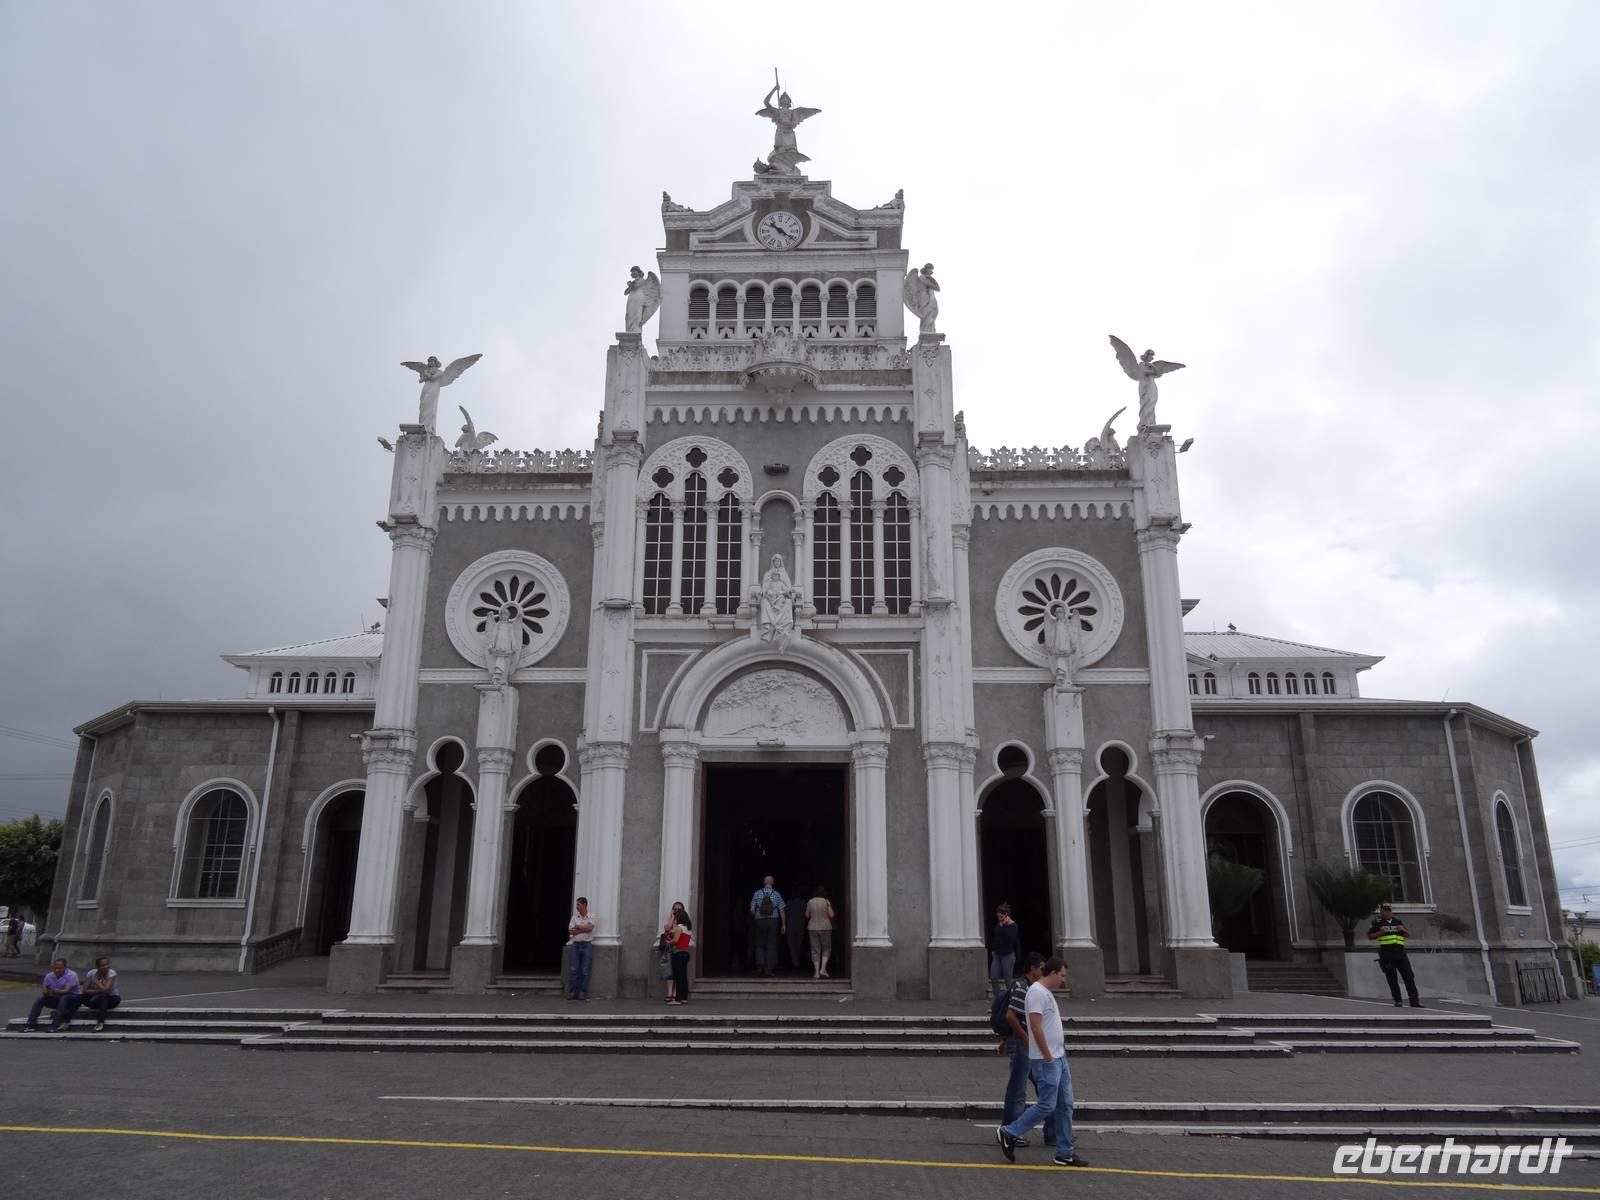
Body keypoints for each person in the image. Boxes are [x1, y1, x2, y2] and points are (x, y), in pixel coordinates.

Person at [997, 958, 1089, 1168]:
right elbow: (1035, 1026)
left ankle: (1064, 1152)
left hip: (1058, 1057)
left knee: (1065, 1104)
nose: (1063, 980)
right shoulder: (1037, 992)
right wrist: (1047, 1055)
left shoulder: (1045, 992)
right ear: (1053, 972)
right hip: (1047, 1059)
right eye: (1062, 975)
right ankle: (1009, 1131)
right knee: (1047, 1104)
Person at [999, 952, 1054, 1148]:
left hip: (1027, 1045)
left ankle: (1052, 1132)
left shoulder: (1033, 988)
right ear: (1032, 968)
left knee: (1045, 1086)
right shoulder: (1022, 987)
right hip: (1024, 1045)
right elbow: (1011, 1015)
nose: (1044, 972)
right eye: (1041, 968)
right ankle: (1010, 1131)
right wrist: (1024, 1038)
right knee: (1018, 1090)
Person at [1367, 901, 1423, 1008]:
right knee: (1392, 978)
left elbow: (1406, 935)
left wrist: (1403, 930)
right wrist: (1380, 933)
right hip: (1387, 953)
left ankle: (1414, 1001)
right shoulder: (1377, 922)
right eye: (1385, 911)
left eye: (1389, 910)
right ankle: (1398, 1000)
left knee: (1409, 976)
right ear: (1381, 911)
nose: (1388, 912)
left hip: (1400, 953)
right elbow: (1370, 936)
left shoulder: (1398, 922)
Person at [24, 958, 82, 1033]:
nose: (57, 970)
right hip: (57, 998)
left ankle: (55, 1024)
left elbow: (66, 991)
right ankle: (30, 1024)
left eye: (60, 968)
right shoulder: (49, 976)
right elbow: (45, 990)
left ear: (65, 968)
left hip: (72, 1000)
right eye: (55, 968)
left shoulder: (72, 975)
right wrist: (49, 992)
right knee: (40, 999)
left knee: (64, 997)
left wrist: (54, 991)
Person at [749, 876, 786, 976]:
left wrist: (756, 915)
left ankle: (760, 966)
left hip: (760, 921)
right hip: (773, 921)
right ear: (772, 883)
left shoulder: (757, 893)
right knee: (771, 945)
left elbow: (752, 909)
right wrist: (783, 925)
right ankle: (769, 969)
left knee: (759, 944)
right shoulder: (777, 894)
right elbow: (782, 910)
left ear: (764, 882)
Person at [81, 957, 121, 1032]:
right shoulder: (91, 973)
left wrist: (96, 981)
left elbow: (106, 990)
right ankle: (65, 1020)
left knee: (103, 996)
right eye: (103, 965)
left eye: (107, 965)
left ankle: (100, 1023)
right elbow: (85, 990)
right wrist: (98, 991)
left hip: (112, 999)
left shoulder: (111, 973)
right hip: (95, 999)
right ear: (97, 967)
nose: (106, 967)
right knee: (80, 996)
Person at [566, 897, 595, 1001]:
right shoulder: (574, 917)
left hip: (587, 945)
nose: (577, 907)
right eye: (577, 904)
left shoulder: (591, 916)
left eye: (578, 904)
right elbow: (571, 931)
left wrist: (578, 927)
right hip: (575, 945)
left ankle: (583, 992)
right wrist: (584, 928)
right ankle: (573, 992)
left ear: (584, 905)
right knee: (573, 969)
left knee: (585, 970)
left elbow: (590, 928)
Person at [989, 903, 1020, 999]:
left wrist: (1003, 926)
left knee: (1008, 980)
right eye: (998, 916)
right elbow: (996, 936)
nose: (999, 918)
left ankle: (1010, 999)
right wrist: (993, 949)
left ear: (1006, 914)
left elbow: (1009, 938)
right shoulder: (1000, 923)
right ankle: (997, 999)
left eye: (1001, 916)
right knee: (994, 977)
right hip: (997, 955)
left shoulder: (1013, 926)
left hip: (1008, 955)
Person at [665, 902, 693, 1005]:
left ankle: (677, 999)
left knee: (678, 977)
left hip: (678, 953)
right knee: (684, 976)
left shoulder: (679, 927)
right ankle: (684, 998)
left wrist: (669, 942)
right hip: (686, 953)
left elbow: (675, 940)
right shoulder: (688, 928)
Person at [805, 886, 835, 979]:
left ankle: (816, 973)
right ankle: (823, 969)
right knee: (826, 948)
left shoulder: (810, 901)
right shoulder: (826, 901)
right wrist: (829, 906)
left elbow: (807, 915)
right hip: (825, 927)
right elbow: (831, 915)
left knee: (815, 950)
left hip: (813, 928)